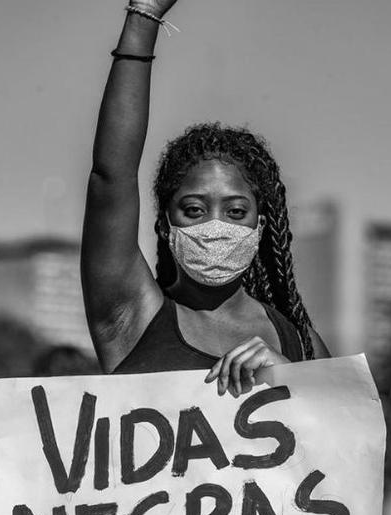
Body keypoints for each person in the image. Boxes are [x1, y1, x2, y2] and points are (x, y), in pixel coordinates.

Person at [83, 0, 327, 394]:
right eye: (194, 210)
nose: (216, 226)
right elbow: (111, 178)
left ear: (260, 226)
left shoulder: (302, 343)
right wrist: (144, 14)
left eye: (235, 211)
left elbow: (350, 439)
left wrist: (293, 381)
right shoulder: (131, 316)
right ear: (165, 223)